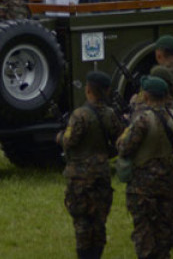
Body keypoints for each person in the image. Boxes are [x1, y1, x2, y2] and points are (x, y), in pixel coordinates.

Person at [56, 71, 123, 259]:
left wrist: (60, 137)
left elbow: (69, 141)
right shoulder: (110, 115)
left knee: (82, 221)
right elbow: (120, 140)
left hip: (80, 177)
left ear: (88, 90)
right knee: (99, 220)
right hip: (101, 174)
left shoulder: (80, 115)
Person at [115, 76, 173, 259]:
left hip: (143, 185)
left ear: (146, 96)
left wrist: (122, 135)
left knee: (144, 231)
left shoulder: (142, 120)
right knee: (164, 231)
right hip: (170, 182)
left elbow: (124, 148)